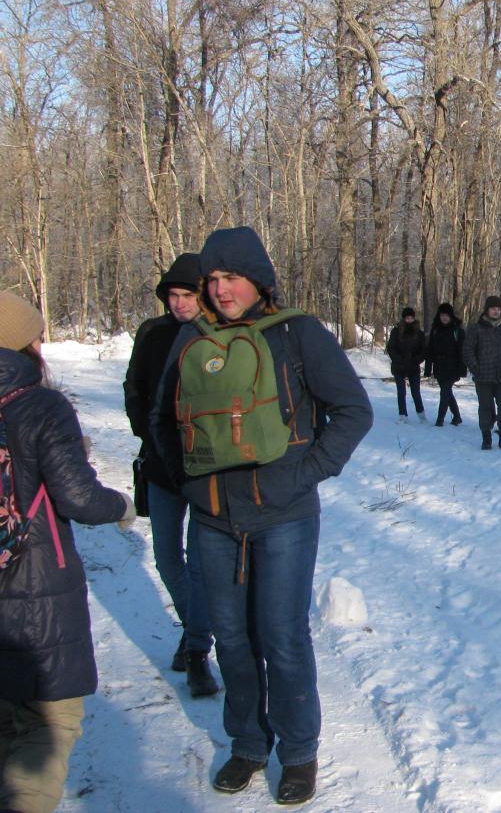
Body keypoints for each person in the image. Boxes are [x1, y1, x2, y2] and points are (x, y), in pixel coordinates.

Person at [151, 227, 372, 805]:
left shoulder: (298, 334)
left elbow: (352, 411)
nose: (221, 290)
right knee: (232, 638)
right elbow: (161, 421)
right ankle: (248, 743)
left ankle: (298, 752)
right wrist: (190, 485)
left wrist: (301, 475)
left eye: (232, 278)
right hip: (214, 520)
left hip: (284, 518)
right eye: (213, 280)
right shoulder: (192, 339)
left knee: (282, 637)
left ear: (258, 280)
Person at [0, 290, 134, 813]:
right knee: (48, 725)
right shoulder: (41, 405)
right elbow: (77, 498)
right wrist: (121, 504)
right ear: (24, 343)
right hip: (36, 590)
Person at [122, 252, 218, 696]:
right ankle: (192, 629)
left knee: (201, 564)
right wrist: (149, 434)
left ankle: (197, 649)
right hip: (160, 466)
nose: (179, 303)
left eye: (188, 295)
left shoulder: (218, 336)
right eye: (173, 295)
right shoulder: (153, 333)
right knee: (166, 556)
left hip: (204, 469)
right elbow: (135, 388)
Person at [464, 295, 501, 450]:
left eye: (498, 309)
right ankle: (486, 439)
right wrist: (476, 368)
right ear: (487, 310)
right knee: (485, 408)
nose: (496, 311)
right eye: (493, 308)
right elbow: (467, 351)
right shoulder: (476, 328)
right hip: (483, 377)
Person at [424, 302, 466, 427]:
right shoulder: (435, 330)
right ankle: (457, 417)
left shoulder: (457, 331)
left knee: (445, 392)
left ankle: (440, 419)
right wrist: (428, 368)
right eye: (442, 315)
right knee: (446, 392)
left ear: (451, 316)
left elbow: (462, 351)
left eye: (447, 315)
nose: (444, 318)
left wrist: (462, 369)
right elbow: (429, 350)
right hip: (439, 366)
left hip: (452, 366)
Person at [385, 307, 426, 421]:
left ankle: (421, 414)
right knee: (401, 391)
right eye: (407, 318)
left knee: (415, 391)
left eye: (411, 318)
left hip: (413, 366)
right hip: (399, 366)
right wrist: (398, 359)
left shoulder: (419, 333)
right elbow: (391, 347)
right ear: (404, 318)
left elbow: (423, 350)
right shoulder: (396, 331)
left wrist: (416, 359)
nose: (409, 320)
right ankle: (402, 415)